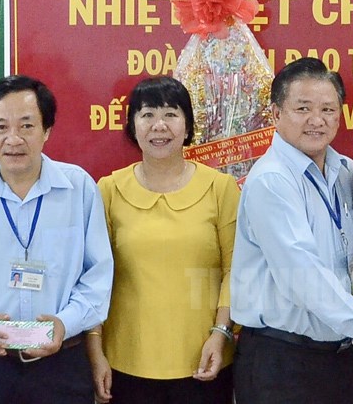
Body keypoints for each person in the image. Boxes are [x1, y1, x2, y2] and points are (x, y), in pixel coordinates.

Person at [230, 57, 353, 404]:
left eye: (328, 109)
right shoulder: (272, 180)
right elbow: (301, 275)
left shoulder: (346, 172)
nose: (316, 120)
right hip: (282, 363)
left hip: (338, 357)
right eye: (302, 108)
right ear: (276, 114)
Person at [85, 76, 239, 404]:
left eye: (171, 114)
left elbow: (235, 270)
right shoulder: (109, 190)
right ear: (132, 126)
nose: (159, 125)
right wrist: (95, 351)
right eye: (147, 114)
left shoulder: (220, 188)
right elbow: (93, 278)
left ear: (188, 126)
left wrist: (221, 333)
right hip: (125, 363)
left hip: (205, 359)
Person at [0, 75, 113, 403]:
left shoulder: (78, 188)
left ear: (46, 131)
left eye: (26, 126)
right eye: (1, 127)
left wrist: (65, 323)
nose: (13, 139)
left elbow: (98, 275)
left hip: (63, 363)